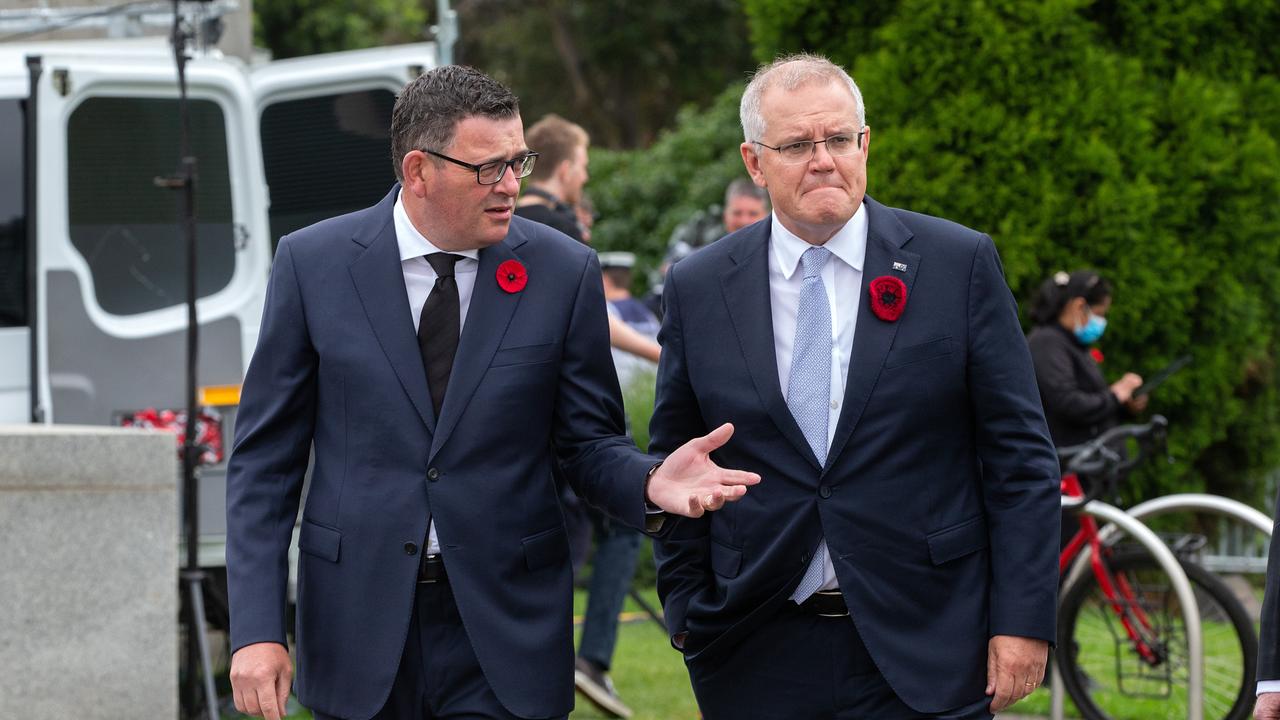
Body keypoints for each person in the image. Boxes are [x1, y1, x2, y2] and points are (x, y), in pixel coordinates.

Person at [225, 65, 760, 720]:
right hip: (355, 624)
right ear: (419, 171)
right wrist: (254, 628)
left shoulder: (562, 272)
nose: (512, 185)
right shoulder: (313, 265)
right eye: (489, 168)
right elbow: (264, 464)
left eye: (519, 162)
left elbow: (587, 445)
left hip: (505, 628)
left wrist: (648, 481)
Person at [648, 53, 1061, 719]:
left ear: (864, 144)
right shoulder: (700, 286)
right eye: (797, 145)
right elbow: (675, 457)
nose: (823, 160)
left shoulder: (957, 265)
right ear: (754, 163)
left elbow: (1022, 460)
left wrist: (1022, 620)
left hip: (928, 644)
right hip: (754, 646)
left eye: (839, 139)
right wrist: (688, 608)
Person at [565, 251, 661, 719]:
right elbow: (597, 323)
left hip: (581, 443)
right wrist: (662, 353)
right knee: (616, 532)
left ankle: (583, 658)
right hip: (571, 443)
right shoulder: (551, 232)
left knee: (579, 542)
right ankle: (589, 658)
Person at [1026, 270, 1147, 448]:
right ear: (1079, 306)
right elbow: (1068, 403)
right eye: (1099, 313)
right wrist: (1116, 394)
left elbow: (1093, 403)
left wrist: (1125, 405)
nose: (1102, 321)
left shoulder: (1073, 342)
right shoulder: (1047, 342)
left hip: (1093, 466)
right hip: (1070, 466)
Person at [642, 179, 771, 320]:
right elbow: (668, 273)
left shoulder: (775, 251)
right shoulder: (703, 236)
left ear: (767, 215)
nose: (744, 221)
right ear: (725, 215)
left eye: (753, 214)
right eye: (737, 213)